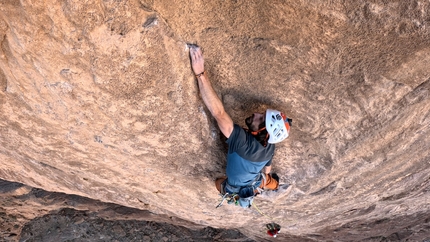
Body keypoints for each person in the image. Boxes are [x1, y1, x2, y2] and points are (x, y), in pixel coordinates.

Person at [189, 45, 291, 208]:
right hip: (252, 183)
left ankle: (273, 185)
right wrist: (267, 175)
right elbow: (268, 165)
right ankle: (275, 185)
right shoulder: (270, 145)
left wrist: (200, 74)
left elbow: (219, 113)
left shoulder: (244, 143)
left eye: (261, 118)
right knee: (264, 183)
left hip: (255, 182)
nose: (257, 113)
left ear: (264, 131)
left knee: (220, 183)